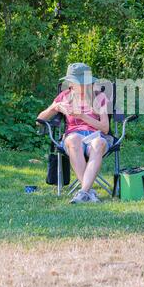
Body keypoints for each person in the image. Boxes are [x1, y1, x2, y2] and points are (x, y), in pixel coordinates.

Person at [37, 63, 112, 203]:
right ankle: (89, 193)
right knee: (74, 139)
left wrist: (82, 116)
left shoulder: (99, 97)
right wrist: (54, 107)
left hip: (95, 135)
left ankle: (83, 192)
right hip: (73, 136)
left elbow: (105, 128)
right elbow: (39, 120)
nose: (71, 85)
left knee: (99, 143)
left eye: (75, 82)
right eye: (70, 82)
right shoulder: (64, 96)